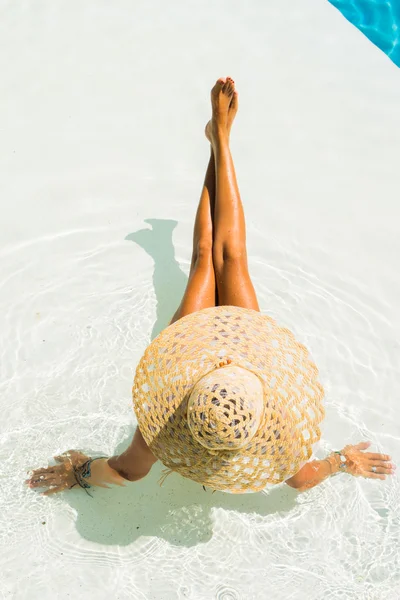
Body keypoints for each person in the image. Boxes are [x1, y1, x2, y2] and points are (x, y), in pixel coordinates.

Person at [26, 77, 395, 497]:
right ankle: (220, 137)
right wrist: (342, 461)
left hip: (191, 362)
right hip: (245, 358)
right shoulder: (275, 435)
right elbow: (302, 479)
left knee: (209, 256)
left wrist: (79, 471)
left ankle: (216, 140)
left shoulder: (160, 432)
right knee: (226, 257)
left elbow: (125, 473)